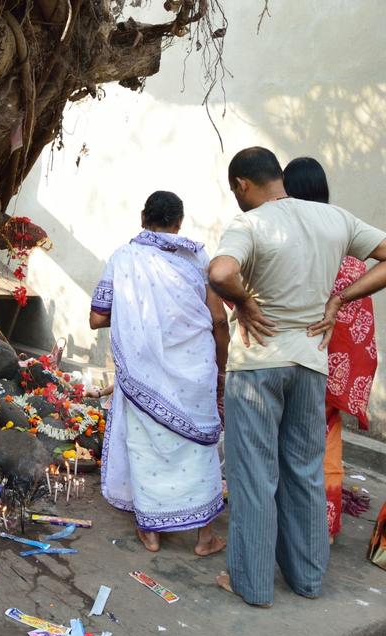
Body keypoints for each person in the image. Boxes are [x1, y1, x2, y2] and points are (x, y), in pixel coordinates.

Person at [209, 147, 386, 607]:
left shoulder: (250, 224)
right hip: (309, 364)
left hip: (257, 369)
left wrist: (245, 302)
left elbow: (221, 272)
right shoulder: (335, 220)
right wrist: (340, 298)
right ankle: (308, 579)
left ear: (243, 185)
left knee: (254, 477)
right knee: (304, 473)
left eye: (235, 191)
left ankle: (251, 584)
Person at [89, 191, 228, 556]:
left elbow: (97, 317)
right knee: (200, 449)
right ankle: (204, 538)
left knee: (144, 447)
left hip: (143, 371)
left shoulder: (124, 259)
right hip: (196, 370)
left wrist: (137, 321)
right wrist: (222, 370)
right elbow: (217, 318)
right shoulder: (199, 257)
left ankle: (151, 533)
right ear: (178, 223)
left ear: (142, 217)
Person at [283, 157, 377, 544]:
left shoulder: (286, 245)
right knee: (325, 445)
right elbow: (360, 327)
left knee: (283, 447)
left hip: (287, 365)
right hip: (329, 375)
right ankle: (323, 527)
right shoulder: (351, 257)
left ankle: (284, 527)